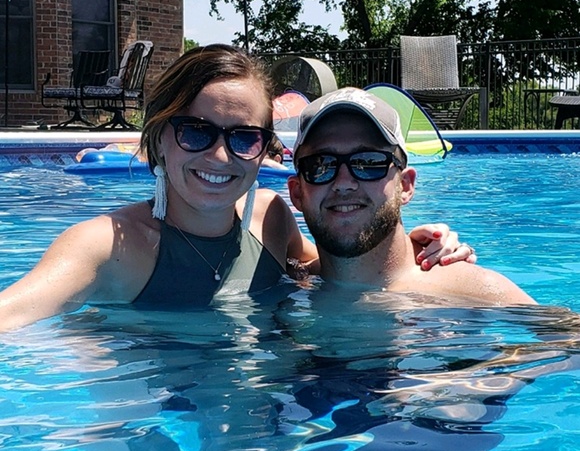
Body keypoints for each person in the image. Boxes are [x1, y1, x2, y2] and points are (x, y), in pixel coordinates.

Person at [0, 45, 473, 332]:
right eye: (196, 132)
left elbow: (335, 267)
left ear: (264, 149)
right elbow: (13, 315)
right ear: (160, 139)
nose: (220, 156)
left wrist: (412, 245)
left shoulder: (271, 219)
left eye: (244, 137)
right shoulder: (105, 246)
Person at [287, 87, 537, 306]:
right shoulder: (290, 281)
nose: (343, 183)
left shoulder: (477, 294)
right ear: (297, 193)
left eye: (370, 162)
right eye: (320, 165)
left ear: (405, 186)